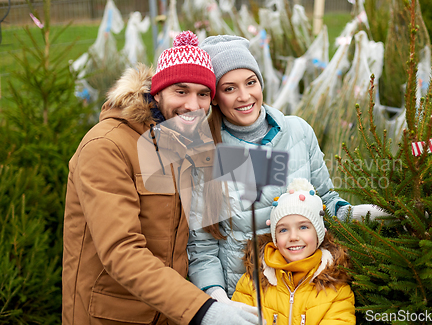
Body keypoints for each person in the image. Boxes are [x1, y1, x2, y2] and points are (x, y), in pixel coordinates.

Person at [62, 31, 259, 325]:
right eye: (181, 91)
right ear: (157, 93)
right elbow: (122, 251)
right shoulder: (107, 147)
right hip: (111, 317)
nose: (193, 105)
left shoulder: (186, 142)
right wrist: (204, 310)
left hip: (169, 314)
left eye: (203, 93)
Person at [187, 35, 389, 302]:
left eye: (251, 83)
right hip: (245, 298)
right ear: (214, 98)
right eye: (229, 88)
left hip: (304, 292)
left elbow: (325, 203)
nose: (244, 96)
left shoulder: (298, 132)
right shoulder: (206, 151)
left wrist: (373, 213)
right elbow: (202, 247)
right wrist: (218, 299)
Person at [232, 178, 356, 325]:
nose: (293, 237)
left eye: (303, 227)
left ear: (318, 235)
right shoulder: (252, 282)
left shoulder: (337, 287)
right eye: (283, 230)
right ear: (275, 239)